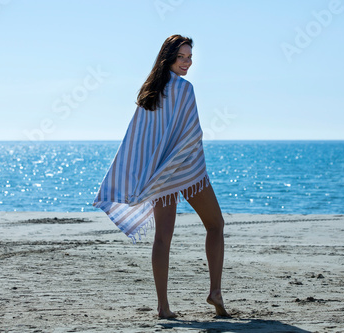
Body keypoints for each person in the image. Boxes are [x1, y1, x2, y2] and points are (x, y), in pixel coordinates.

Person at [93, 34, 229, 319]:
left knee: (162, 239)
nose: (187, 63)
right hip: (187, 169)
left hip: (160, 175)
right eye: (182, 57)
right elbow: (191, 134)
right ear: (168, 57)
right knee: (216, 224)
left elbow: (138, 141)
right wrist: (183, 157)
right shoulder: (184, 89)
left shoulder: (149, 91)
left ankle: (163, 308)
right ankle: (215, 291)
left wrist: (147, 172)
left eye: (190, 57)